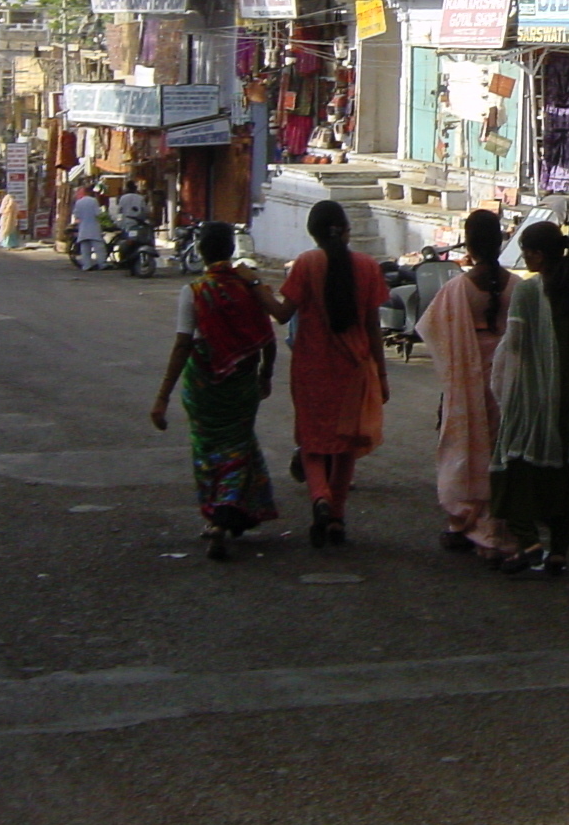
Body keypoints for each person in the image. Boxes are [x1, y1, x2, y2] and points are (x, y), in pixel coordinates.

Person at [149, 222, 282, 559]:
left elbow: (182, 345)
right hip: (241, 387)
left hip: (203, 388)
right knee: (237, 450)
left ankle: (219, 517)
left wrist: (163, 396)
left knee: (208, 453)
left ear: (202, 251)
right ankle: (231, 511)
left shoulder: (194, 292)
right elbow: (267, 337)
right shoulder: (248, 286)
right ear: (230, 249)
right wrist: (265, 375)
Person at [266, 200, 391, 547]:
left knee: (312, 441)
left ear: (313, 233)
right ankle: (336, 516)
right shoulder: (367, 266)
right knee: (344, 446)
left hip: (312, 368)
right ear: (346, 230)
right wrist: (381, 376)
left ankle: (319, 496)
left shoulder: (306, 264)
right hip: (354, 368)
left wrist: (257, 290)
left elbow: (281, 313)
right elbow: (372, 327)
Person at [487, 221, 569, 577]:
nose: (523, 257)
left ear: (539, 255)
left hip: (532, 397)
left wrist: (504, 388)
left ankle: (531, 543)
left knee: (515, 470)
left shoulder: (528, 292)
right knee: (568, 475)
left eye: (526, 250)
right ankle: (559, 552)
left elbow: (517, 346)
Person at [414, 209, 518, 559]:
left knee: (465, 450)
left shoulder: (456, 289)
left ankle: (462, 522)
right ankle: (495, 522)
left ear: (469, 245)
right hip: (507, 381)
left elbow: (431, 332)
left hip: (468, 381)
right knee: (500, 451)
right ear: (501, 241)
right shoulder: (518, 286)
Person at [71, 184, 104, 269]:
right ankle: (102, 264)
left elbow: (76, 215)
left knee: (85, 249)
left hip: (83, 228)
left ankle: (86, 265)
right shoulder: (93, 201)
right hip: (94, 227)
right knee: (99, 248)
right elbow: (98, 214)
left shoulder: (79, 202)